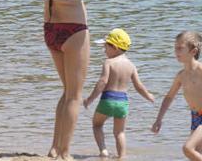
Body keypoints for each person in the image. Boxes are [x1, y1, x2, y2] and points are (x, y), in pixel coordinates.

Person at [35, 0, 116, 159]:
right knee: (74, 95)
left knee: (67, 92)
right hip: (73, 30)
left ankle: (53, 148)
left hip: (50, 29)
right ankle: (65, 153)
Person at [82, 28, 155, 158]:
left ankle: (103, 150)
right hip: (123, 102)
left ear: (114, 47)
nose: (104, 50)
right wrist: (149, 96)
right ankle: (122, 156)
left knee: (97, 125)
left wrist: (90, 99)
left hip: (108, 100)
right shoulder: (131, 65)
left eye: (105, 46)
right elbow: (139, 86)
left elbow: (102, 82)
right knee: (120, 132)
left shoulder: (108, 62)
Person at [152, 31, 202, 160]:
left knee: (188, 148)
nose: (176, 51)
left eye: (180, 48)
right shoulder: (181, 76)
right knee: (195, 154)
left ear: (193, 51)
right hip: (196, 117)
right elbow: (169, 97)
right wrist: (159, 119)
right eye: (175, 48)